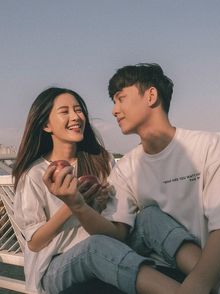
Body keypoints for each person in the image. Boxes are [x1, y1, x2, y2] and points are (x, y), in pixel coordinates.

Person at [13, 87, 202, 294]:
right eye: (65, 111)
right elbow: (34, 242)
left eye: (78, 110)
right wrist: (73, 204)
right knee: (95, 246)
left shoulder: (101, 160)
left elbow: (115, 218)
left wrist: (101, 203)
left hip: (111, 246)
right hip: (58, 265)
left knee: (149, 215)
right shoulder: (35, 174)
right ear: (46, 125)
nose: (76, 117)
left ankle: (214, 279)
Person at [102, 63, 220, 294]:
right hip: (163, 274)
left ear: (151, 95)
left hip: (216, 273)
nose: (114, 110)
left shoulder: (207, 147)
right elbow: (118, 232)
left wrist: (198, 286)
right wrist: (78, 205)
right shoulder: (125, 168)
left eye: (121, 98)